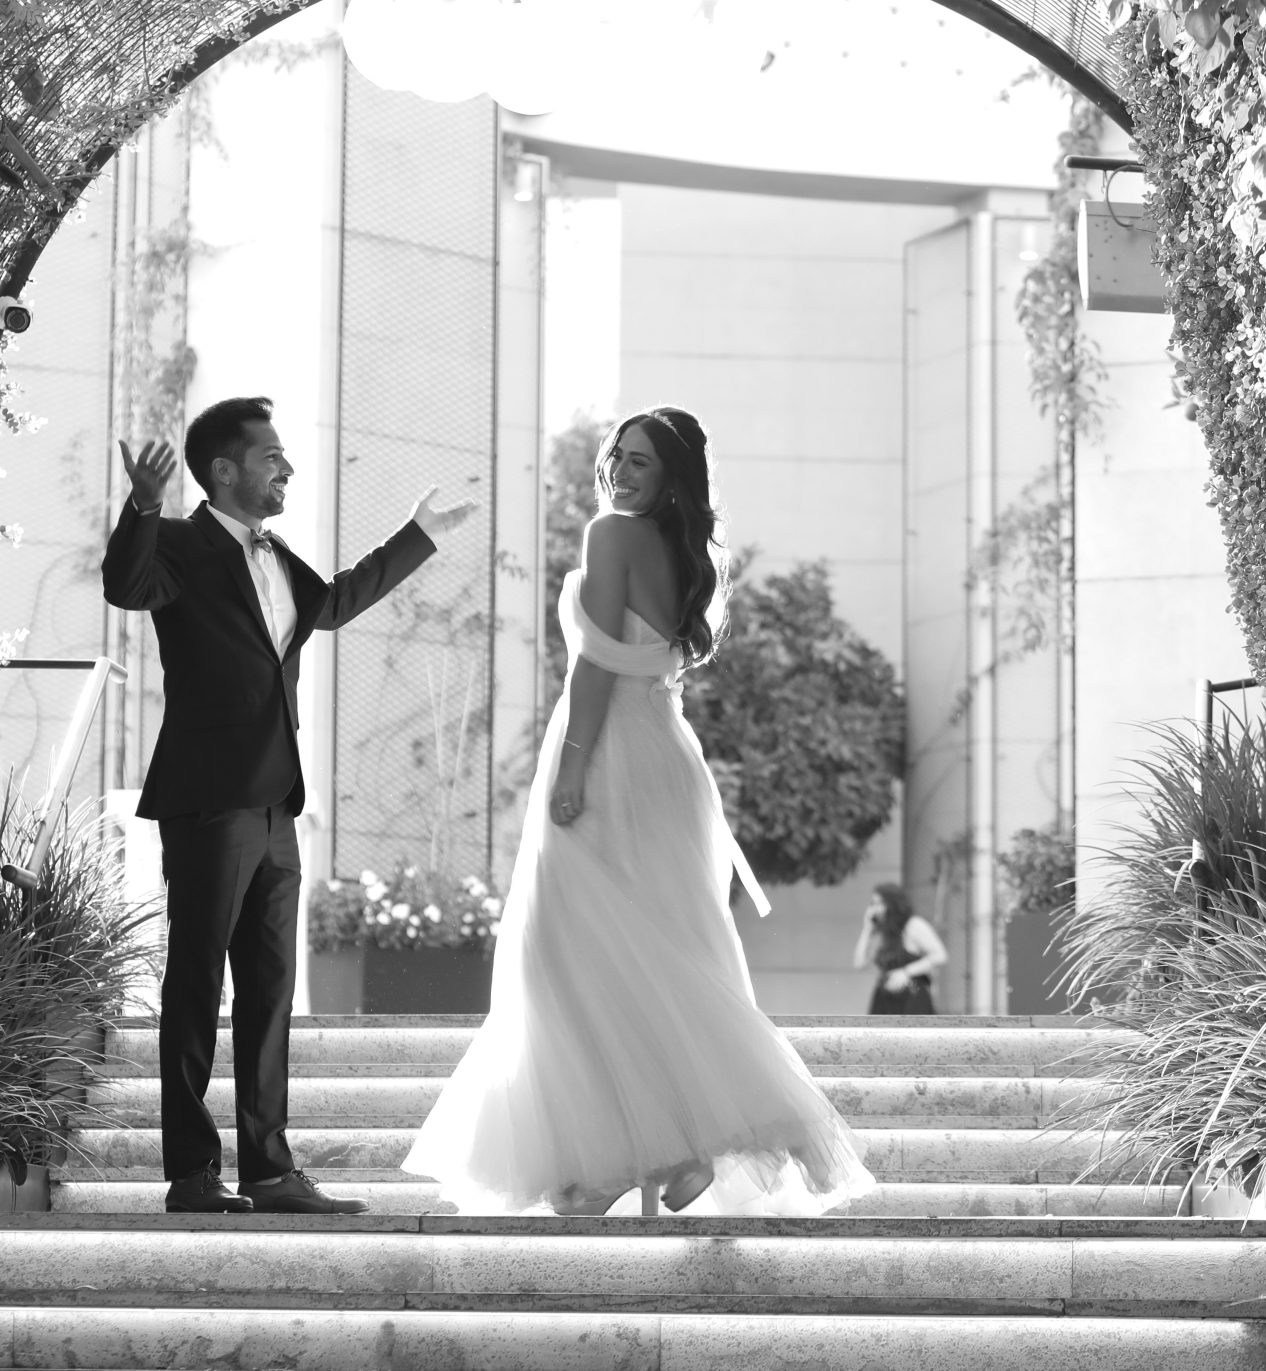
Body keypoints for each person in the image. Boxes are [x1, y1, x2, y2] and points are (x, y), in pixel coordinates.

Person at [405, 408, 871, 1217]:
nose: (620, 473)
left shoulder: (611, 535)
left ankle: (620, 1162)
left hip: (610, 751)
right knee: (660, 951)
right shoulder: (687, 554)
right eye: (617, 456)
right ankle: (673, 1149)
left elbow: (594, 668)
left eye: (642, 462)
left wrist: (573, 767)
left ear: (671, 478)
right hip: (668, 757)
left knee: (562, 952)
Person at [105, 396, 475, 1214]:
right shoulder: (180, 544)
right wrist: (143, 506)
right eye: (272, 456)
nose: (288, 469)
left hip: (277, 803)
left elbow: (334, 603)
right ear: (225, 468)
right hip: (209, 799)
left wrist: (418, 534)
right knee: (196, 985)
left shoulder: (273, 554)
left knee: (270, 993)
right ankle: (192, 1173)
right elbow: (126, 585)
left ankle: (270, 1169)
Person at [854, 882, 948, 1015]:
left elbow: (940, 955)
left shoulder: (913, 925)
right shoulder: (881, 932)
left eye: (880, 903)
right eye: (873, 904)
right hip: (885, 1000)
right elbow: (859, 964)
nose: (875, 909)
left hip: (912, 997)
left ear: (893, 904)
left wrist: (906, 972)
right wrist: (867, 929)